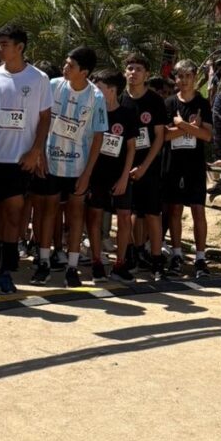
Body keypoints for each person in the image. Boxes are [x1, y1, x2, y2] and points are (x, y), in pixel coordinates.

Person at [0, 24, 51, 294]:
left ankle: (5, 271)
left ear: (20, 47)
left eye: (4, 44)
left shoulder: (38, 78)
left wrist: (36, 151)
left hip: (19, 160)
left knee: (13, 215)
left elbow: (45, 117)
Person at [30, 46, 107, 287]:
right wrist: (39, 153)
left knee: (75, 215)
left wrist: (87, 174)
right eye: (65, 63)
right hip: (51, 161)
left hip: (78, 167)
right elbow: (40, 121)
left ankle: (72, 267)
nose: (65, 68)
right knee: (48, 211)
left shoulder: (96, 97)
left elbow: (98, 137)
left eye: (71, 65)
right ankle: (44, 262)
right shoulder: (53, 86)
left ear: (84, 72)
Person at [85, 69, 137, 282]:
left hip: (119, 176)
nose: (95, 92)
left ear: (112, 90)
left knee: (124, 217)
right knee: (95, 216)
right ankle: (97, 261)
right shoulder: (92, 113)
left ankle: (120, 264)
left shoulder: (127, 114)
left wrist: (125, 177)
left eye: (99, 88)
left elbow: (132, 148)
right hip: (96, 174)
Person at [163, 59, 213, 278]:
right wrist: (191, 128)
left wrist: (182, 125)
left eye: (187, 76)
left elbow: (207, 135)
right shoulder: (169, 103)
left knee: (197, 210)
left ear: (195, 78)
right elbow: (165, 135)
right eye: (180, 76)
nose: (183, 81)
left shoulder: (203, 103)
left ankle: (200, 258)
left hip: (195, 164)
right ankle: (176, 255)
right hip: (173, 162)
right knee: (175, 209)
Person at [120, 53, 168, 280]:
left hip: (149, 166)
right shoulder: (120, 99)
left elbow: (159, 137)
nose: (134, 73)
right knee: (127, 213)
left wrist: (144, 167)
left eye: (138, 69)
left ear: (146, 74)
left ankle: (157, 261)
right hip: (124, 167)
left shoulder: (155, 101)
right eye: (130, 68)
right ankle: (131, 254)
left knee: (151, 213)